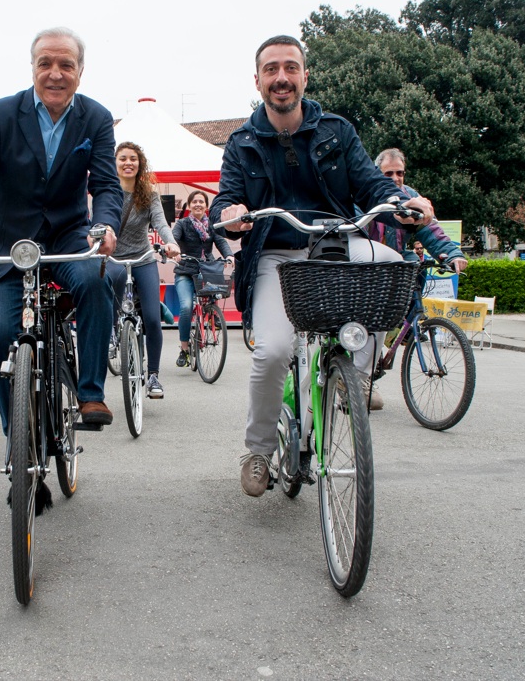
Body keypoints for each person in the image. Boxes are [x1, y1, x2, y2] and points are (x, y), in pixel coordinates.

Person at [212, 35, 434, 498]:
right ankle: (257, 450)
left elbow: (373, 186)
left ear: (304, 76)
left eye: (290, 67)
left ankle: (348, 379)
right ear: (257, 80)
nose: (281, 78)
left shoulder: (337, 130)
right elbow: (227, 200)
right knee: (272, 351)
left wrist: (404, 202)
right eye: (271, 69)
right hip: (278, 255)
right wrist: (230, 216)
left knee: (392, 265)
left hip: (336, 245)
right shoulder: (242, 142)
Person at [0, 27, 123, 434]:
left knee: (95, 281)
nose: (55, 73)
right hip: (7, 239)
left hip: (69, 234)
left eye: (66, 65)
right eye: (45, 64)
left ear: (80, 71)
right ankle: (16, 432)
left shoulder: (96, 118)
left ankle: (90, 392)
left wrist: (104, 226)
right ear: (33, 68)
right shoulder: (1, 114)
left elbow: (106, 185)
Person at [364, 147, 468, 409]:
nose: (396, 178)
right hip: (366, 267)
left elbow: (431, 230)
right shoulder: (366, 195)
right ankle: (361, 379)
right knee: (367, 322)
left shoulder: (411, 198)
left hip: (396, 265)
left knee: (412, 266)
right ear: (378, 174)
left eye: (400, 172)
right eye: (389, 173)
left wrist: (451, 254)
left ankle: (401, 327)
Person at [106, 141, 180, 398]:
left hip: (143, 257)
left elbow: (160, 222)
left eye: (133, 159)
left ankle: (154, 376)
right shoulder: (108, 192)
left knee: (151, 317)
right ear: (115, 163)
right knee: (110, 305)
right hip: (114, 259)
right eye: (123, 158)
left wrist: (170, 242)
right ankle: (112, 338)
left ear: (140, 164)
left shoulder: (149, 194)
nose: (128, 163)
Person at [171, 190, 233, 367]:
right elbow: (174, 238)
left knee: (213, 299)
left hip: (207, 271)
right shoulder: (182, 224)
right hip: (185, 271)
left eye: (201, 201)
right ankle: (184, 348)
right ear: (189, 206)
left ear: (206, 206)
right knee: (185, 307)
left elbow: (221, 242)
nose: (198, 204)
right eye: (194, 201)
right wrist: (174, 250)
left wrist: (229, 255)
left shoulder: (212, 225)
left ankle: (210, 318)